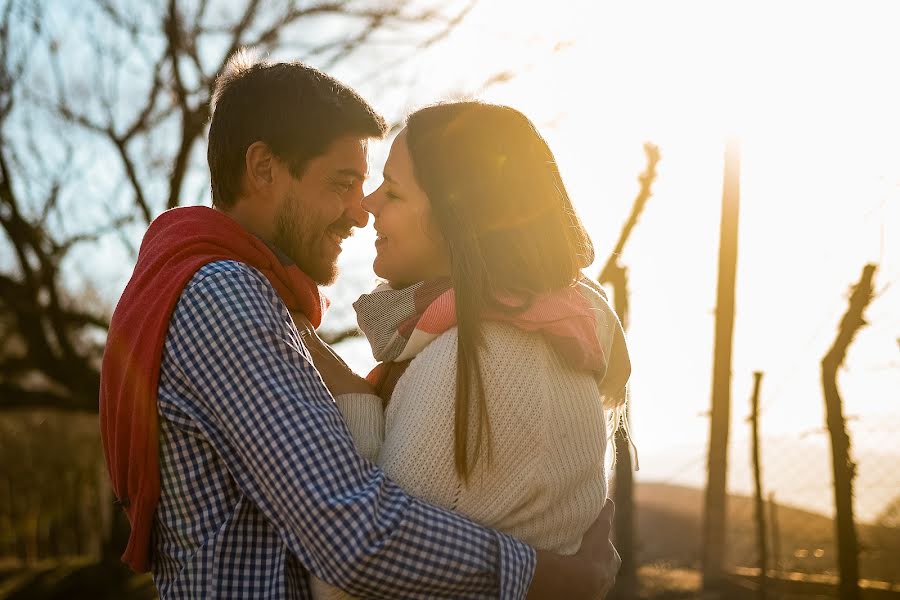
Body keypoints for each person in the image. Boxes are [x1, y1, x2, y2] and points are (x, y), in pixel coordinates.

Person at [98, 53, 621, 599]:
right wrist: (549, 577)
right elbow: (350, 531)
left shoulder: (258, 301)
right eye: (342, 183)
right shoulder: (225, 294)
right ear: (263, 169)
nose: (359, 210)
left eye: (377, 189)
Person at [303, 102, 632, 600]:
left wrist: (355, 400)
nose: (368, 203)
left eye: (392, 190)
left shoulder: (476, 360)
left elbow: (346, 584)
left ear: (456, 217)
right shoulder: (544, 331)